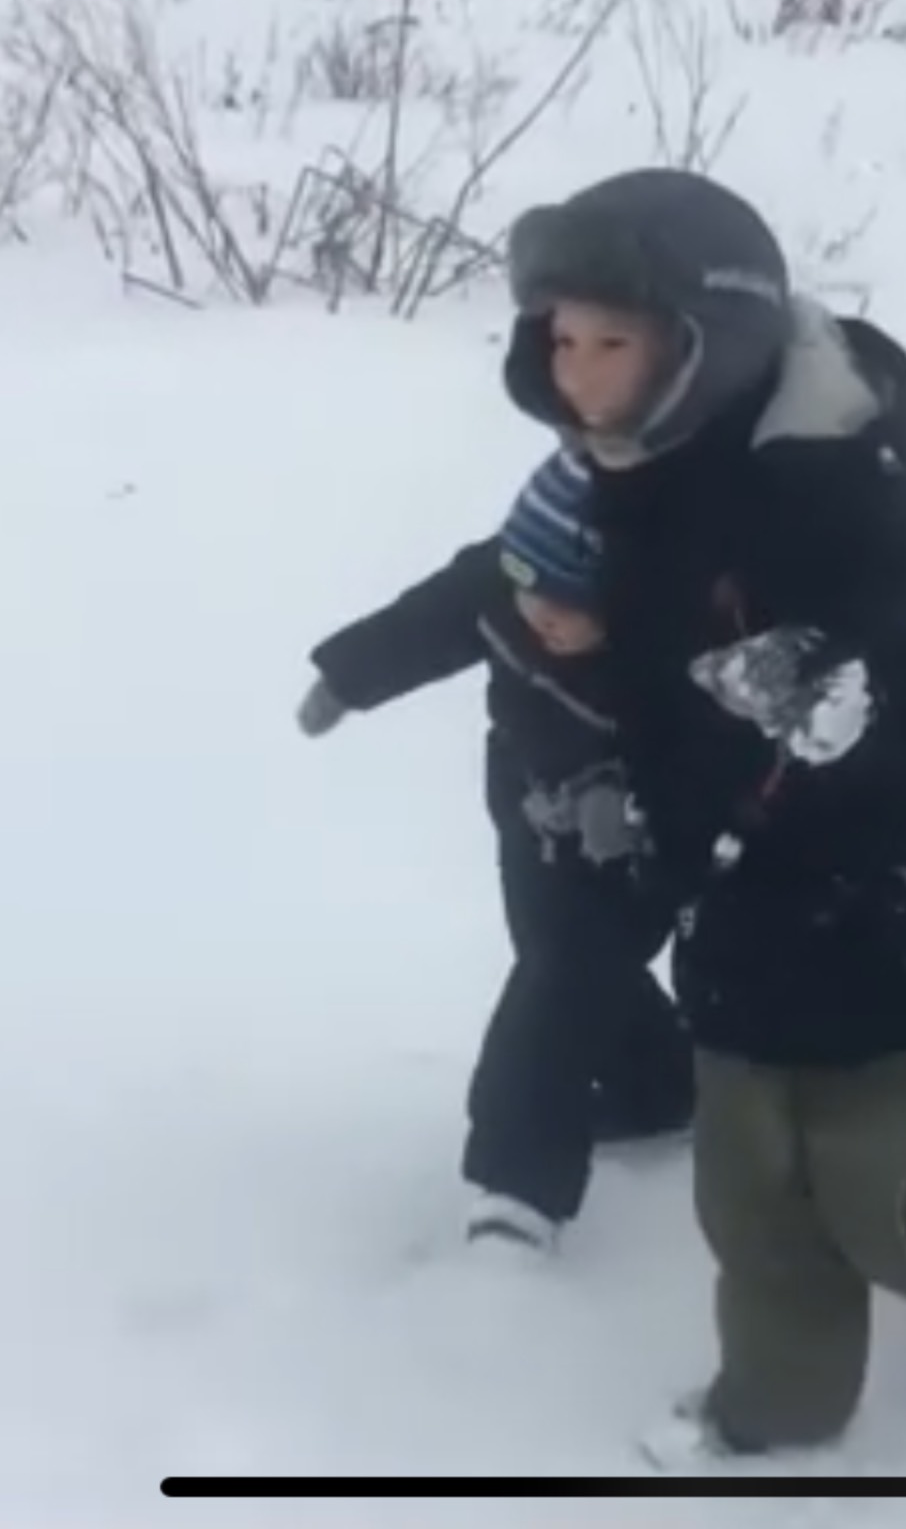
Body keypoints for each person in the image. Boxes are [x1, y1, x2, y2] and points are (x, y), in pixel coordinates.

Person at [492, 168, 906, 1464]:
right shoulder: (623, 490)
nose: (576, 377)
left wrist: (864, 689)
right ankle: (773, 1417)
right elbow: (617, 658)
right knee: (751, 1201)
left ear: (707, 352)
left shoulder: (833, 493)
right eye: (561, 340)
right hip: (737, 912)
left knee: (881, 1206)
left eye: (612, 345)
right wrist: (587, 748)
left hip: (887, 912)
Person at [298, 448, 696, 1254]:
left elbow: (713, 747)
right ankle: (659, 1090)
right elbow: (427, 622)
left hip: (635, 844)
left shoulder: (667, 651)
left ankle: (518, 1185)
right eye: (528, 585)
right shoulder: (503, 586)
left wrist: (647, 806)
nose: (542, 612)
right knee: (564, 962)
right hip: (528, 806)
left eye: (571, 600)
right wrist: (347, 679)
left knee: (557, 986)